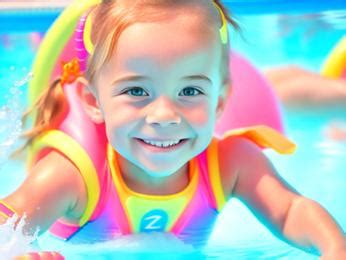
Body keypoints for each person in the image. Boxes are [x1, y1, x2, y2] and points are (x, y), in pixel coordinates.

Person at [1, 1, 345, 259]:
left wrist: (333, 248)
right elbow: (6, 221)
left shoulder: (230, 163)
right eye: (136, 91)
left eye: (190, 91)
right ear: (93, 102)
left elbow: (290, 211)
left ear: (220, 102)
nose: (164, 115)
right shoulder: (74, 176)